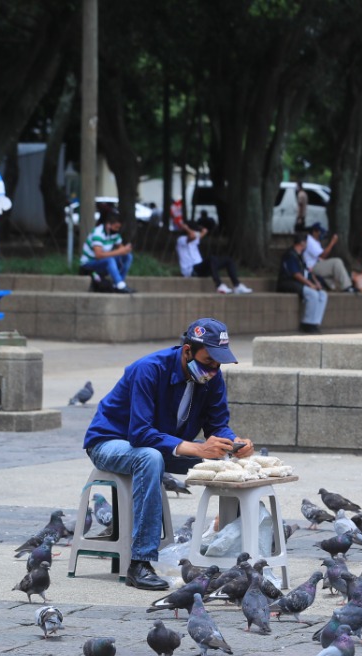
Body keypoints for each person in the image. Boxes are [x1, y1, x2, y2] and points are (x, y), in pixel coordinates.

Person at [83, 318, 251, 590]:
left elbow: (217, 425)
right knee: (149, 457)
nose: (213, 370)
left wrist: (234, 443)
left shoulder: (212, 377)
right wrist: (198, 448)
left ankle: (231, 553)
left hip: (160, 446)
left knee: (231, 463)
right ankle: (140, 563)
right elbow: (139, 433)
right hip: (110, 442)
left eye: (219, 363)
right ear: (187, 351)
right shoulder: (148, 369)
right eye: (208, 361)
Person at [176, 221, 250, 294]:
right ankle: (219, 286)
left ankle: (237, 285)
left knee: (228, 260)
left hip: (201, 268)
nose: (196, 232)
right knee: (211, 259)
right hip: (191, 270)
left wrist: (199, 227)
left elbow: (205, 231)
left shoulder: (195, 240)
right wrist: (186, 228)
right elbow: (192, 235)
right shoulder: (181, 240)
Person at [278, 231, 329, 333]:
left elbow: (307, 271)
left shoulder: (301, 256)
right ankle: (307, 323)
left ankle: (315, 323)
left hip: (299, 283)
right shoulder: (290, 254)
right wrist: (310, 285)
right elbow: (296, 274)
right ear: (302, 243)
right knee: (313, 294)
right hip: (288, 283)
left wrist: (316, 283)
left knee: (322, 294)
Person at [80, 211, 135, 294]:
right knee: (110, 260)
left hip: (102, 262)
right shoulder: (98, 233)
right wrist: (119, 251)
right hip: (88, 264)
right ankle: (120, 284)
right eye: (116, 227)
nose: (117, 230)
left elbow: (121, 250)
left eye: (119, 228)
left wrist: (126, 250)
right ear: (108, 225)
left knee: (128, 257)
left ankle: (119, 283)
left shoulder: (114, 234)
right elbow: (98, 255)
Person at [304, 223, 355, 292]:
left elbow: (320, 258)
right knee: (336, 262)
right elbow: (323, 255)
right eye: (319, 232)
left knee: (333, 266)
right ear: (314, 232)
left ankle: (336, 287)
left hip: (316, 265)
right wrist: (332, 242)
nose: (321, 234)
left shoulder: (315, 241)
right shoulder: (310, 240)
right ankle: (347, 287)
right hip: (311, 268)